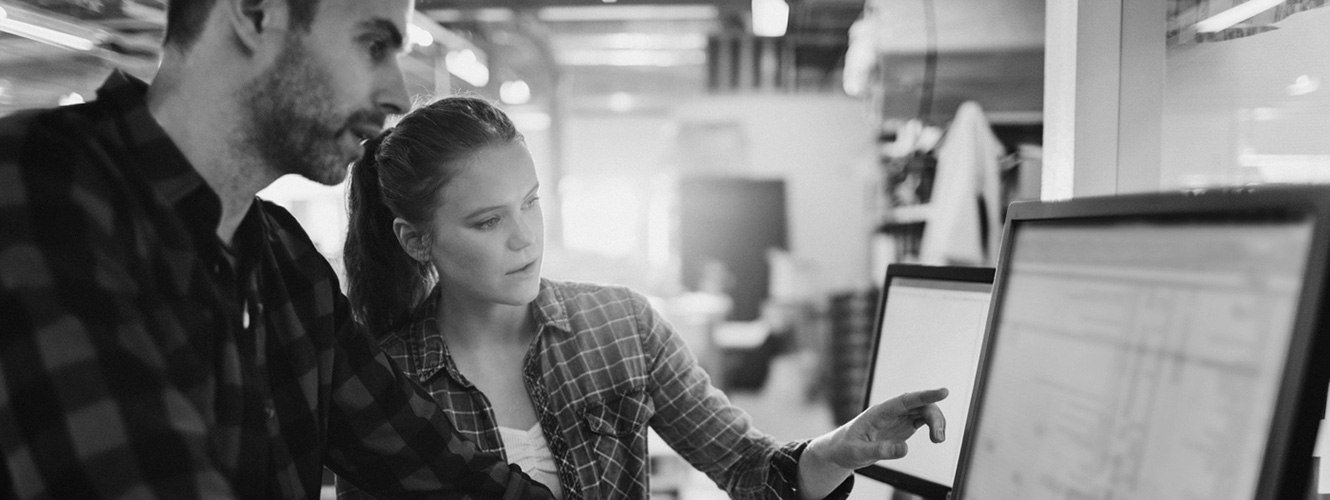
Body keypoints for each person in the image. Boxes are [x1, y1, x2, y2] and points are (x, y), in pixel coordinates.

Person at [0, 0, 555, 498]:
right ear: (255, 13)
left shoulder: (283, 258)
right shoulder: (42, 184)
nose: (395, 95)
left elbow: (438, 468)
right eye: (372, 45)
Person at [338, 96, 949, 500]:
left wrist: (835, 451)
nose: (525, 238)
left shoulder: (620, 325)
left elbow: (746, 466)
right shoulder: (385, 379)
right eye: (487, 221)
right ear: (417, 241)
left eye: (531, 202)